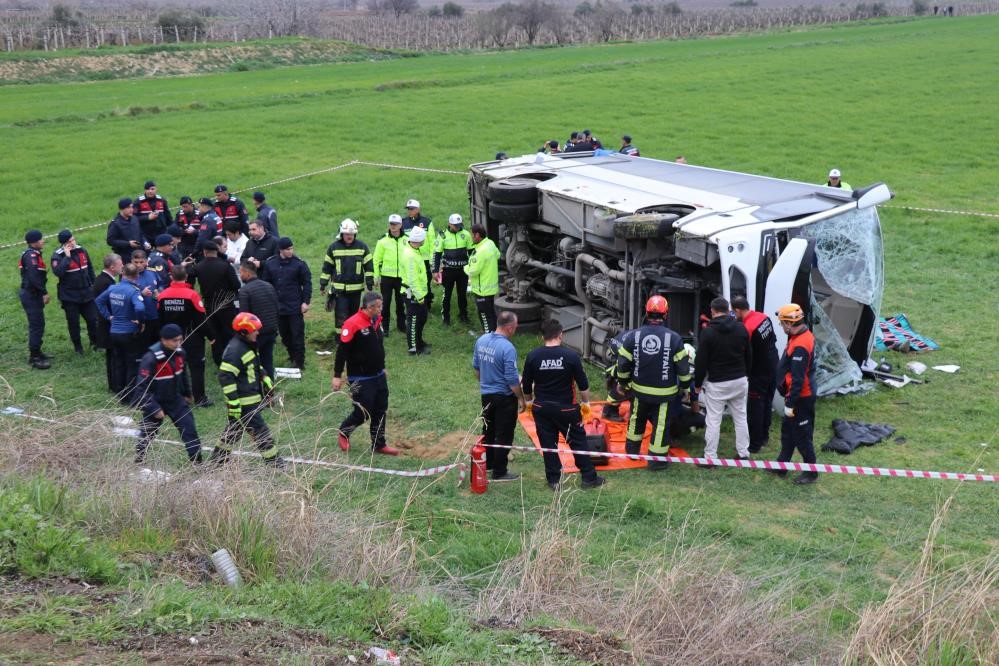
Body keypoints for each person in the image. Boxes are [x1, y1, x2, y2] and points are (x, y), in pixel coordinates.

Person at [522, 319, 606, 490]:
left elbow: (526, 385)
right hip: (566, 409)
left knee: (547, 444)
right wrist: (586, 404)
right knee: (578, 442)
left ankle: (554, 480)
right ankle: (589, 478)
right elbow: (583, 385)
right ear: (560, 335)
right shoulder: (571, 356)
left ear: (542, 336)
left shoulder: (533, 356)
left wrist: (530, 403)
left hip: (542, 408)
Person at [615, 295, 692, 471]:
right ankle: (656, 461)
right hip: (664, 394)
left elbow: (623, 363)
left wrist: (623, 383)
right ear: (665, 315)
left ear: (647, 313)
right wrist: (686, 388)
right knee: (660, 426)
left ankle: (632, 451)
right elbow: (683, 369)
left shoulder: (633, 336)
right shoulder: (674, 338)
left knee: (636, 419)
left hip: (639, 391)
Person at [332, 291, 399, 456]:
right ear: (369, 307)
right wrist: (337, 375)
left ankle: (378, 444)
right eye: (379, 306)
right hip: (359, 378)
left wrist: (382, 367)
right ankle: (344, 432)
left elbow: (378, 347)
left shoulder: (376, 321)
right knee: (363, 411)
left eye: (381, 305)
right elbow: (342, 352)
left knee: (380, 410)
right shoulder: (352, 324)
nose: (381, 309)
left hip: (377, 375)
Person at [213, 312, 283, 467]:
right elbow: (225, 376)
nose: (258, 332)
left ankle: (216, 462)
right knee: (261, 432)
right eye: (254, 330)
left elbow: (253, 365)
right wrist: (234, 403)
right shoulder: (235, 350)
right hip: (244, 403)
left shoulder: (247, 345)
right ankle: (276, 466)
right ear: (244, 332)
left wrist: (264, 376)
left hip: (248, 400)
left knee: (232, 433)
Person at [692, 297, 752, 467]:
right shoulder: (741, 328)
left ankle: (710, 457)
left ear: (712, 311)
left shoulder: (708, 332)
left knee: (713, 420)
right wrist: (746, 374)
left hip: (718, 383)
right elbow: (749, 355)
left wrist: (697, 384)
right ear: (728, 310)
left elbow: (701, 362)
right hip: (740, 380)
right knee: (740, 417)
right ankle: (743, 454)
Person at [133, 323, 204, 464]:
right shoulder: (150, 359)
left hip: (175, 399)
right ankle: (139, 458)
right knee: (148, 433)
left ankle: (197, 463)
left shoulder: (180, 353)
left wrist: (187, 393)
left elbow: (183, 374)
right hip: (155, 400)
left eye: (180, 340)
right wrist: (154, 408)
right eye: (175, 340)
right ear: (164, 340)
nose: (178, 343)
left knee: (189, 430)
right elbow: (141, 389)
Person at [473, 311, 526, 481]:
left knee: (488, 430)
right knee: (504, 434)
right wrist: (520, 397)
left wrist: (486, 383)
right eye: (515, 327)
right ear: (510, 327)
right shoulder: (508, 348)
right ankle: (500, 471)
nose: (516, 330)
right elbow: (511, 378)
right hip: (504, 397)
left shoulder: (481, 340)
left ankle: (487, 463)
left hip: (486, 395)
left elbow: (476, 368)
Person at [773, 303, 819, 485]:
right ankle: (782, 466)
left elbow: (798, 379)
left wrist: (791, 403)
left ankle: (811, 472)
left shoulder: (801, 344)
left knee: (802, 435)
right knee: (788, 432)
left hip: (800, 399)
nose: (781, 327)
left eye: (782, 323)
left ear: (789, 323)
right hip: (795, 397)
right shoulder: (798, 335)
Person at [158, 265, 213, 407]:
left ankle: (177, 397)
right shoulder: (192, 295)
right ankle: (200, 399)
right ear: (186, 277)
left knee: (174, 368)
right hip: (192, 337)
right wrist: (211, 336)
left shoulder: (162, 295)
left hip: (170, 340)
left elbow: (159, 319)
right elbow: (201, 320)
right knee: (196, 368)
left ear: (171, 277)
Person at [732, 295, 779, 453]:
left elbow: (745, 353)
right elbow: (774, 338)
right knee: (767, 402)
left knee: (755, 408)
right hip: (773, 364)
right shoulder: (764, 317)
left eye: (734, 312)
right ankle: (764, 436)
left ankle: (754, 444)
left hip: (759, 371)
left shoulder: (747, 328)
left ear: (737, 310)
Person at [95, 262, 146, 403]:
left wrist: (109, 316)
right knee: (132, 364)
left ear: (123, 274)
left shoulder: (113, 288)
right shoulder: (134, 291)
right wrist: (140, 322)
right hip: (129, 332)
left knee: (119, 363)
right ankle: (131, 396)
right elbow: (140, 309)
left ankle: (120, 394)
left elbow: (99, 301)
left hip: (114, 332)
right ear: (137, 276)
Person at [186, 238, 240, 366]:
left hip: (209, 306)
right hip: (226, 305)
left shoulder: (199, 267)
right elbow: (236, 285)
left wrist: (187, 265)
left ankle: (219, 361)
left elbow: (189, 277)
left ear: (204, 252)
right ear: (217, 251)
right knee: (229, 333)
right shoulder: (225, 266)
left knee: (215, 335)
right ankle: (232, 360)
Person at [262, 237, 311, 370]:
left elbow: (307, 283)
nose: (291, 251)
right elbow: (266, 283)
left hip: (295, 306)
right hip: (278, 306)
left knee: (297, 335)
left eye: (291, 248)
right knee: (285, 335)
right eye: (288, 249)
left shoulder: (299, 264)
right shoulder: (270, 263)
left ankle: (299, 362)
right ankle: (292, 355)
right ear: (281, 250)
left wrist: (306, 302)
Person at [319, 218, 374, 336]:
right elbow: (327, 268)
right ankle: (341, 339)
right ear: (342, 234)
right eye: (347, 234)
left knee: (354, 315)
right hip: (339, 291)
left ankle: (353, 337)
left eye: (352, 234)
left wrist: (369, 283)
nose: (349, 236)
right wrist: (323, 284)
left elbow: (369, 266)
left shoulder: (362, 247)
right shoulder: (333, 248)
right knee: (341, 316)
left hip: (356, 290)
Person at [50, 229, 98, 356]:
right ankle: (78, 347)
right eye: (70, 241)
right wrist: (67, 257)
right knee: (74, 323)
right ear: (65, 244)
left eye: (73, 239)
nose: (73, 242)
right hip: (70, 296)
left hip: (86, 293)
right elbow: (58, 272)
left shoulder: (82, 250)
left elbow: (90, 269)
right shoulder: (57, 256)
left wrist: (94, 285)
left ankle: (95, 342)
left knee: (93, 320)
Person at [237, 260, 280, 382]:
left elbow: (244, 316)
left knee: (253, 363)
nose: (240, 276)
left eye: (241, 272)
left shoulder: (245, 291)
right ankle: (270, 392)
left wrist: (243, 336)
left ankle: (256, 390)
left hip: (255, 334)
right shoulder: (269, 286)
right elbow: (277, 308)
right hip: (271, 330)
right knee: (268, 361)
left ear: (247, 273)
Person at [19, 230, 52, 369]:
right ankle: (35, 357)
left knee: (39, 324)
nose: (43, 241)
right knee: (36, 325)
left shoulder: (33, 254)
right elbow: (34, 278)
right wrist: (43, 292)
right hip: (31, 295)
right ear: (34, 242)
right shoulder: (31, 256)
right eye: (40, 239)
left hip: (32, 294)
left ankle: (37, 351)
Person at [434, 213, 473, 326]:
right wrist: (435, 271)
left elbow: (471, 252)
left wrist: (472, 268)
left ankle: (463, 316)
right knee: (447, 295)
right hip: (448, 271)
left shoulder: (465, 234)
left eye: (459, 225)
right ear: (449, 224)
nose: (457, 227)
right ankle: (446, 318)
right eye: (455, 225)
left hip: (462, 271)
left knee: (462, 295)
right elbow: (437, 254)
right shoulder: (442, 236)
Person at [373, 214, 408, 336]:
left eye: (395, 224)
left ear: (400, 225)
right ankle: (385, 328)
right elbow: (376, 259)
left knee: (400, 302)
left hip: (402, 277)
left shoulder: (407, 240)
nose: (393, 226)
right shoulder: (383, 241)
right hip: (387, 277)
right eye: (391, 224)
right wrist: (376, 276)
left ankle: (401, 325)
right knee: (385, 303)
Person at [93, 253, 123, 391]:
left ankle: (113, 384)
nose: (122, 266)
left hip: (106, 325)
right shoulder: (105, 283)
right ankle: (116, 385)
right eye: (120, 264)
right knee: (114, 357)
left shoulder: (103, 280)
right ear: (112, 267)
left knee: (112, 356)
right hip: (109, 326)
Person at [401, 226, 431, 355]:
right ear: (419, 240)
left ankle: (419, 342)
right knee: (413, 321)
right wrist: (419, 297)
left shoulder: (414, 250)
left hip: (418, 293)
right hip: (413, 294)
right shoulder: (410, 256)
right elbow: (413, 280)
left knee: (421, 318)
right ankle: (413, 349)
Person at [465, 224, 500, 333]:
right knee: (491, 314)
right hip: (491, 288)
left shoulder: (480, 251)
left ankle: (488, 338)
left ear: (477, 235)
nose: (471, 237)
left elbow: (473, 271)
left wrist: (466, 267)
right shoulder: (490, 243)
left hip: (482, 290)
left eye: (472, 234)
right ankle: (495, 335)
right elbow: (498, 255)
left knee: (484, 316)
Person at [402, 199, 436, 308]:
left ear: (418, 209)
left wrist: (432, 261)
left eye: (412, 209)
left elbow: (432, 242)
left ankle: (427, 303)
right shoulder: (403, 223)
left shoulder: (427, 222)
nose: (409, 211)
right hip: (410, 258)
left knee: (425, 282)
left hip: (425, 259)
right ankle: (411, 303)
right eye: (408, 209)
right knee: (410, 281)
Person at [131, 250, 161, 344]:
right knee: (142, 344)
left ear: (146, 261)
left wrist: (159, 291)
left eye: (141, 262)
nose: (138, 265)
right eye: (136, 262)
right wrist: (141, 294)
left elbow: (161, 284)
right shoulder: (127, 275)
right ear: (131, 261)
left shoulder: (152, 272)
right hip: (140, 316)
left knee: (157, 342)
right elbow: (126, 294)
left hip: (155, 313)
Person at [135, 180, 172, 246]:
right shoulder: (138, 202)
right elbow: (134, 218)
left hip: (161, 233)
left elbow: (168, 216)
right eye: (148, 189)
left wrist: (170, 230)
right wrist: (147, 218)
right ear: (145, 190)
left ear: (156, 189)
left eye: (152, 189)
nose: (150, 191)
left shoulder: (162, 200)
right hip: (146, 234)